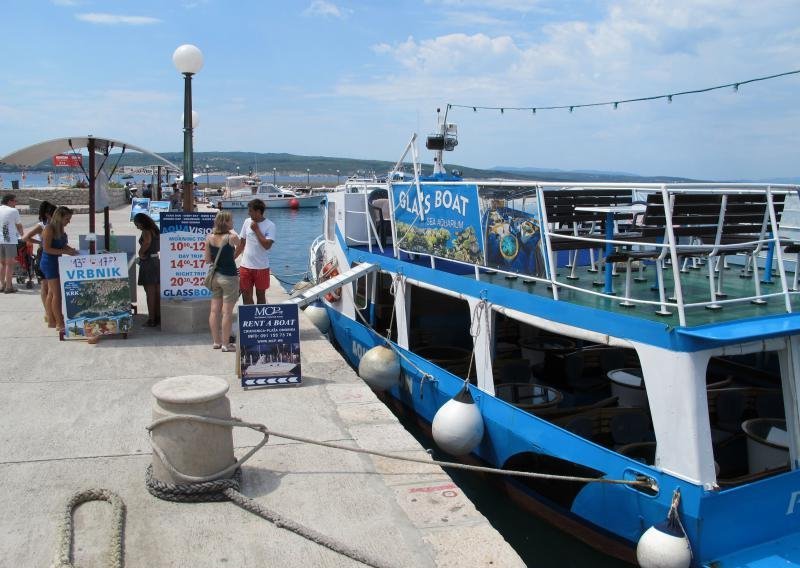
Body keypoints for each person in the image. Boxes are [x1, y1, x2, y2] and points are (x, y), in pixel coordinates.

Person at [205, 211, 241, 351]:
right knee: (227, 312)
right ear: (225, 222)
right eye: (231, 220)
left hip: (215, 277)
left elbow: (207, 260)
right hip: (229, 277)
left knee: (214, 311)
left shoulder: (209, 238)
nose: (233, 222)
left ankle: (216, 341)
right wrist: (230, 230)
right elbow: (239, 242)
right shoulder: (231, 237)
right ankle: (226, 344)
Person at [40, 207, 77, 331]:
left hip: (57, 261)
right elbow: (47, 249)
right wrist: (65, 252)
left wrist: (69, 249)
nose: (68, 222)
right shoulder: (49, 229)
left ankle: (52, 319)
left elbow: (61, 244)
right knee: (57, 294)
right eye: (67, 219)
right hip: (49, 263)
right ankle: (59, 323)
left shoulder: (60, 229)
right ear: (59, 217)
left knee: (52, 293)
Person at [234, 198, 275, 304]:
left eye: (250, 211)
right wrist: (232, 258)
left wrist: (256, 230)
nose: (248, 213)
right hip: (245, 266)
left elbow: (267, 246)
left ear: (258, 212)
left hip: (261, 268)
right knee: (246, 295)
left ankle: (259, 319)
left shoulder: (270, 225)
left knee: (260, 295)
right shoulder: (247, 222)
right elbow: (242, 243)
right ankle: (249, 318)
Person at [22, 201, 57, 320]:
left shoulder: (54, 225)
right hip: (43, 254)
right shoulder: (41, 225)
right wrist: (41, 242)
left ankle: (51, 313)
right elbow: (26, 237)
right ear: (48, 214)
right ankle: (48, 313)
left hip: (51, 254)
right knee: (45, 285)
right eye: (54, 213)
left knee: (51, 287)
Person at [133, 213, 161, 327]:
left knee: (150, 293)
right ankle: (158, 317)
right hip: (157, 261)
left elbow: (147, 241)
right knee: (157, 292)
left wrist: (140, 252)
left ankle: (151, 319)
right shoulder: (155, 229)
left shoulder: (146, 231)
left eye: (137, 224)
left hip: (148, 262)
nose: (137, 227)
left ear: (142, 222)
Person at [0, 194, 24, 294]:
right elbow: (19, 225)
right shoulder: (13, 211)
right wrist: (22, 233)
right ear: (9, 201)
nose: (16, 203)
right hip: (9, 241)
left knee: (2, 263)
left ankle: (2, 285)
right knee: (10, 264)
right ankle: (9, 287)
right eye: (15, 201)